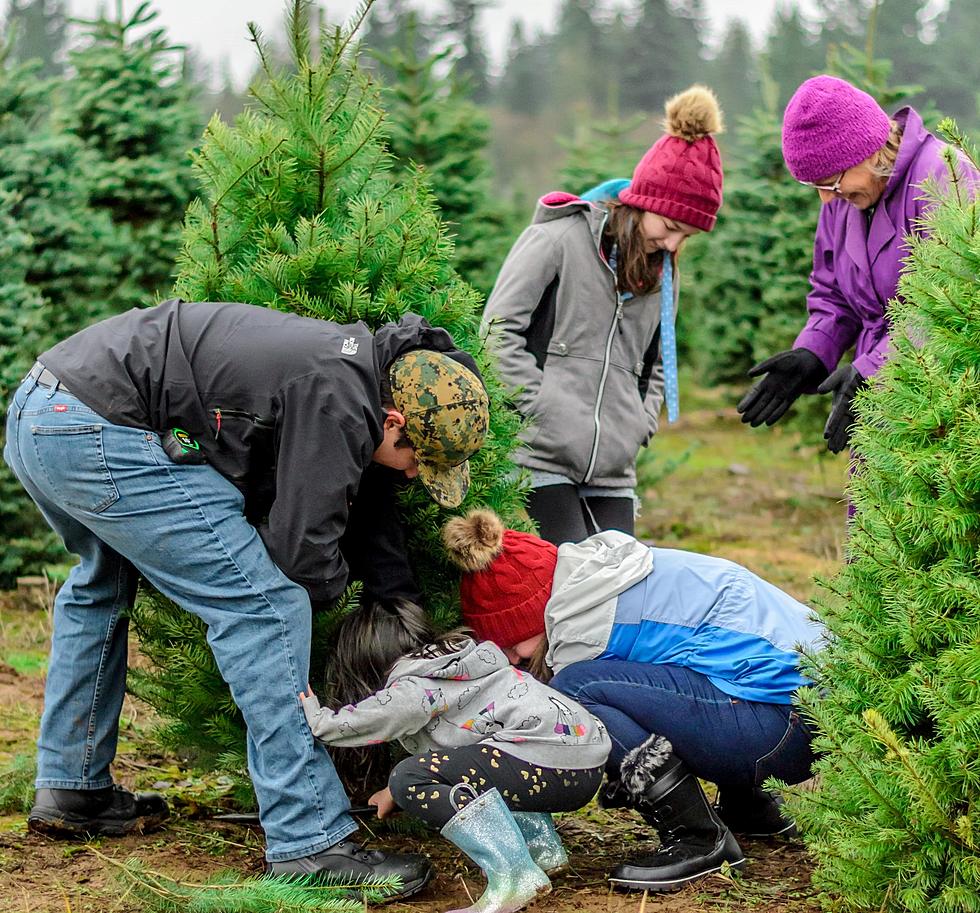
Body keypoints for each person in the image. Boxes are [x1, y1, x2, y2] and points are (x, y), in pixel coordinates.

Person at [3, 298, 490, 896]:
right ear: (392, 421)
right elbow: (300, 553)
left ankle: (72, 787)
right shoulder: (340, 399)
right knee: (266, 607)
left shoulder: (354, 366)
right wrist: (340, 606)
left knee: (101, 586)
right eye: (417, 460)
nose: (413, 475)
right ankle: (308, 838)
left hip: (46, 408)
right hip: (96, 426)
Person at [441, 509, 824, 893]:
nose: (510, 657)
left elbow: (568, 726)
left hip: (781, 731)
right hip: (812, 713)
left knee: (573, 690)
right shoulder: (605, 574)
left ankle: (700, 839)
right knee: (689, 670)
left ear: (529, 616)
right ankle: (749, 808)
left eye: (507, 642)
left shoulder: (583, 628)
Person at [481, 86, 724, 545]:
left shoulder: (663, 275)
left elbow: (654, 367)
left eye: (686, 237)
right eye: (670, 227)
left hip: (613, 467)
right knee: (568, 584)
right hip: (539, 457)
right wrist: (536, 410)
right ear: (642, 203)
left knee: (619, 589)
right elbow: (498, 331)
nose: (674, 245)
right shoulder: (558, 239)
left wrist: (637, 424)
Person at [301, 599, 610, 913]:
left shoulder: (413, 683)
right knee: (490, 761)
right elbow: (464, 759)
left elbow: (378, 717)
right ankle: (540, 848)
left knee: (409, 777)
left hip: (546, 762)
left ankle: (515, 876)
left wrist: (320, 721)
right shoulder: (459, 663)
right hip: (583, 763)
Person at [737, 74, 980, 453]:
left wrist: (875, 369)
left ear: (868, 151)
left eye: (831, 181)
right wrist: (814, 351)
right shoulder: (843, 200)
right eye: (815, 186)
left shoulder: (942, 175)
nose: (825, 199)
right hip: (878, 397)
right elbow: (832, 293)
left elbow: (952, 299)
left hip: (947, 394)